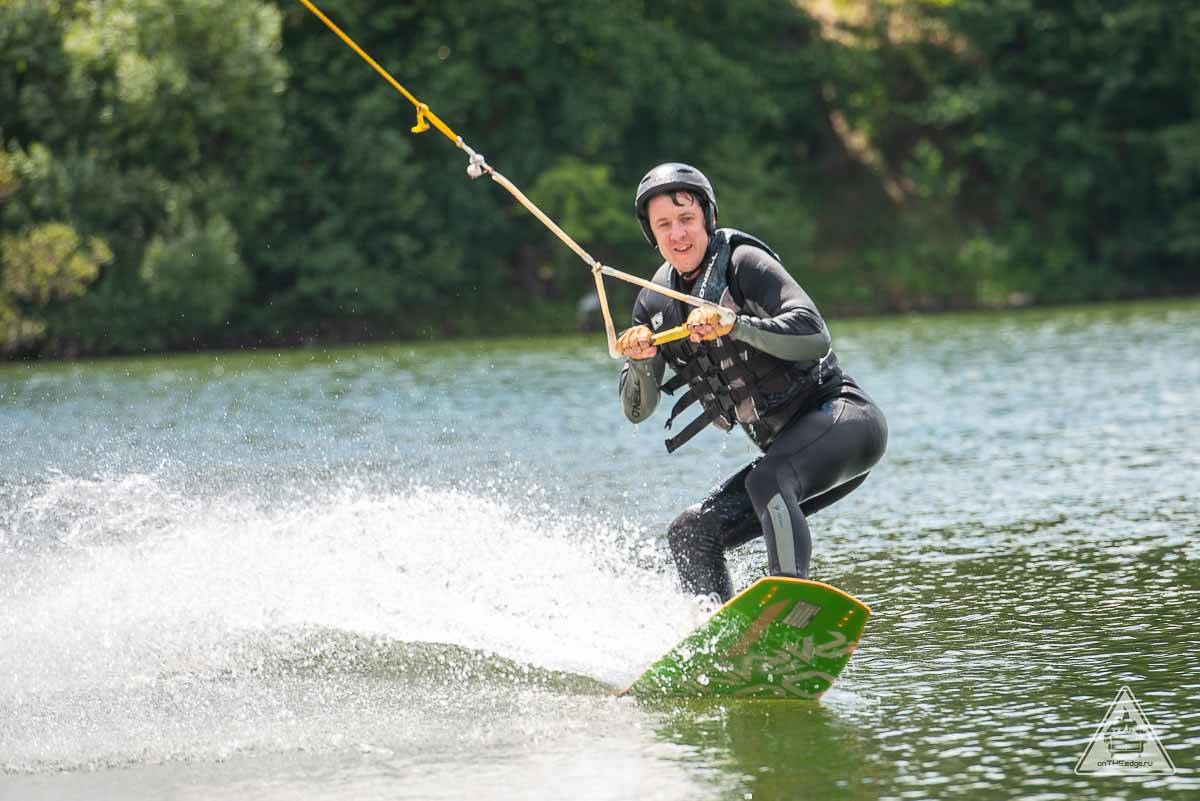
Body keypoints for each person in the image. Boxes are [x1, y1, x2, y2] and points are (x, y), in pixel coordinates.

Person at [616, 163, 887, 605]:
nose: (677, 234)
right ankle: (719, 635)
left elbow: (815, 334)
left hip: (846, 423)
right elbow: (636, 410)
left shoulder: (744, 263)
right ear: (651, 233)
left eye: (686, 219)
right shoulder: (653, 304)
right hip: (784, 459)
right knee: (691, 531)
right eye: (664, 224)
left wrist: (735, 325)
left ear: (707, 217)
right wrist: (641, 362)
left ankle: (789, 605)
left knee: (768, 478)